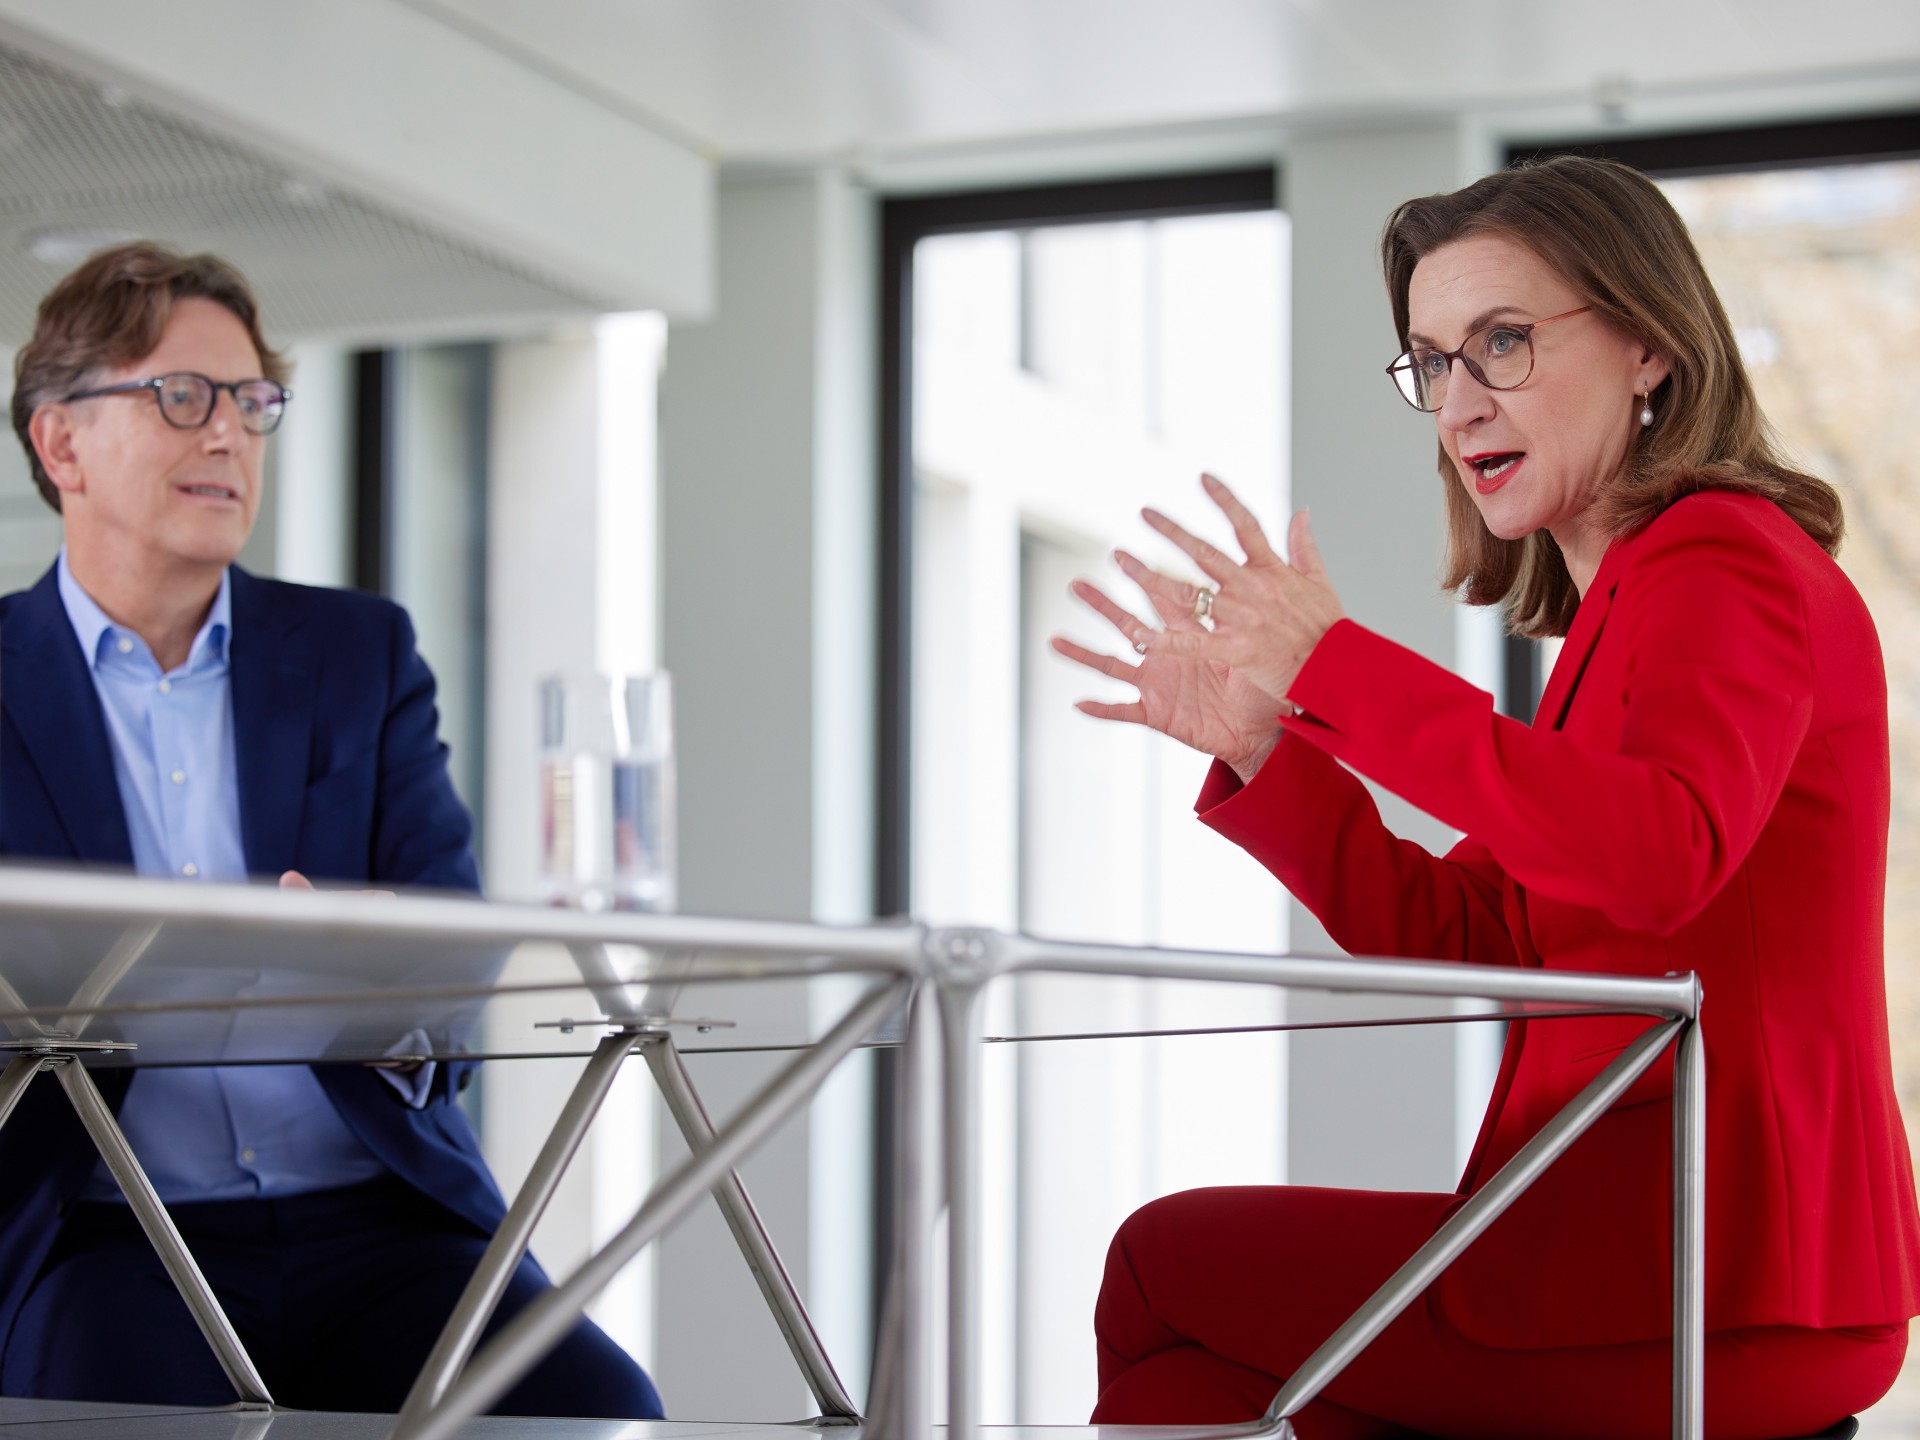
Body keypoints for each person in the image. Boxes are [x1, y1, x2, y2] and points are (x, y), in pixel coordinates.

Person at [1054, 156, 1920, 1440]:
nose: (1458, 405)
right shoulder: (1619, 615)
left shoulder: (1722, 558)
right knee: (1209, 1384)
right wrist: (1267, 750)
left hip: (1719, 1276)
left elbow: (1663, 853)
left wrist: (1335, 662)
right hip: (1634, 1259)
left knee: (1160, 1265)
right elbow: (1485, 931)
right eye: (1433, 362)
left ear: (1648, 348)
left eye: (1501, 343)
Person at [0, 242, 662, 1419]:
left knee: (599, 1411)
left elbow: (453, 955)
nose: (228, 436)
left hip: (381, 1220)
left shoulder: (359, 655)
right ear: (61, 443)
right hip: (104, 1233)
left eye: (253, 405)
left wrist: (364, 990)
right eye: (181, 397)